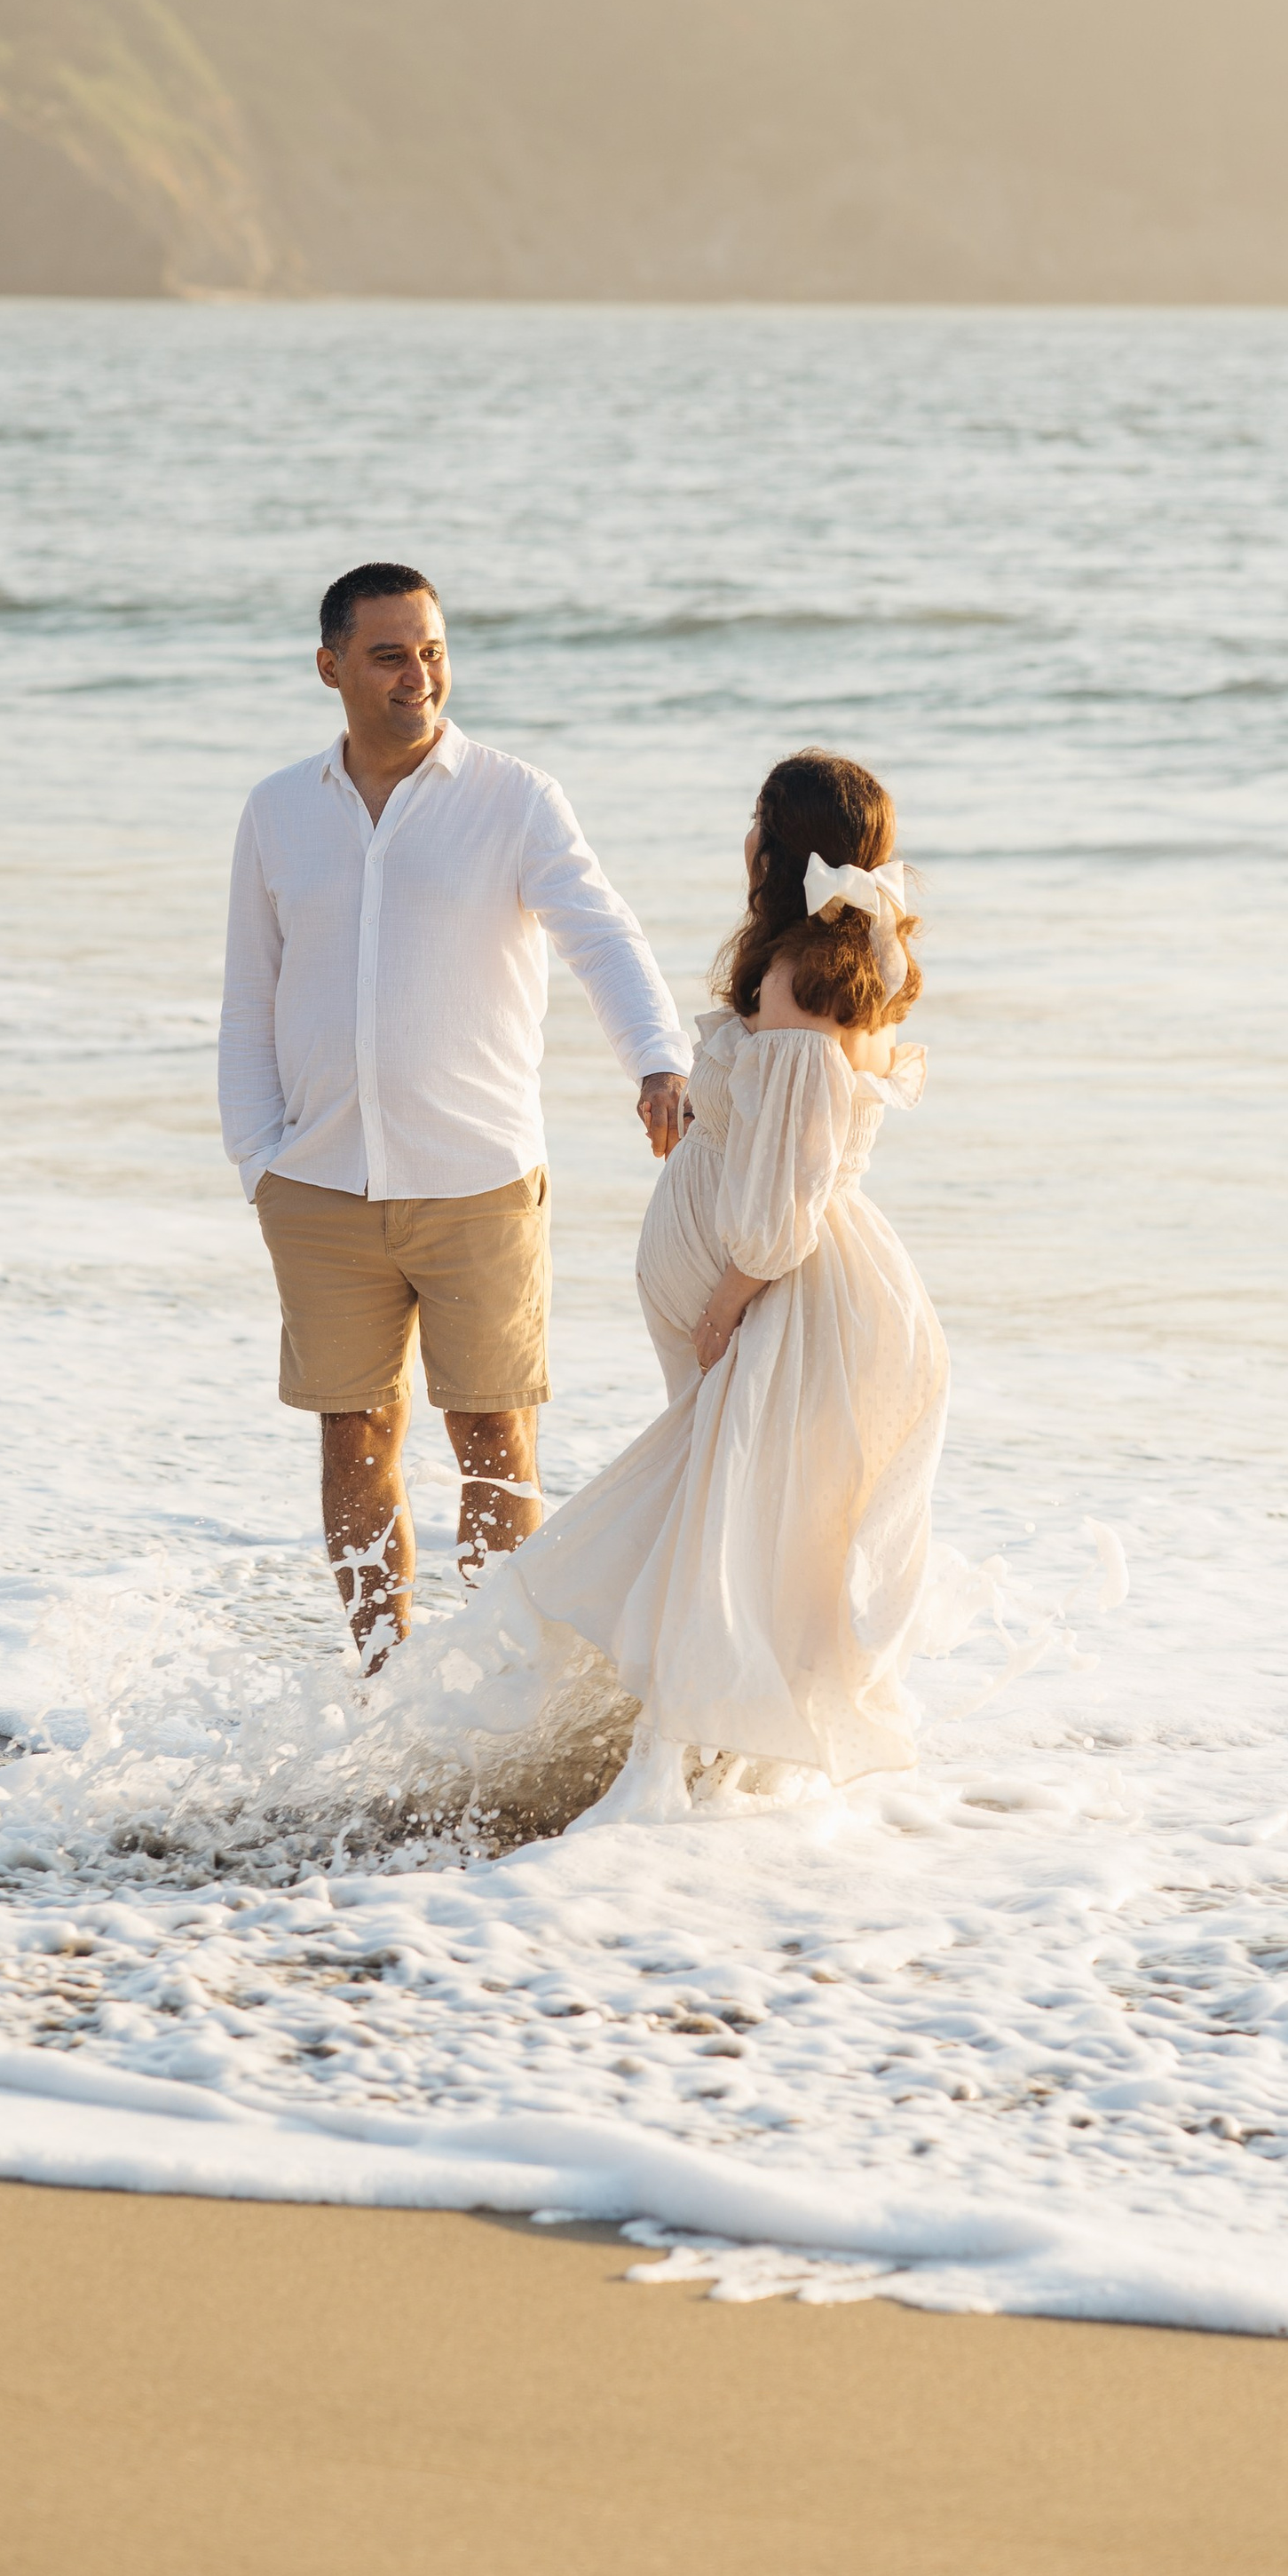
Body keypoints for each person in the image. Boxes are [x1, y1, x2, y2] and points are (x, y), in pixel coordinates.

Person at [219, 562, 690, 1662]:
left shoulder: (514, 797)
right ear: (330, 666)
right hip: (322, 1186)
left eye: (431, 650)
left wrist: (657, 1060)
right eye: (388, 654)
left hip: (477, 1179)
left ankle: (492, 1694)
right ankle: (384, 1687)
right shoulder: (278, 809)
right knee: (355, 1440)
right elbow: (250, 995)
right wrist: (259, 1161)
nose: (416, 675)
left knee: (493, 1443)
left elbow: (601, 935)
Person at [491, 747, 950, 1821]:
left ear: (781, 841)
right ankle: (705, 1757)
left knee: (730, 1524)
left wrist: (729, 1295)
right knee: (735, 1516)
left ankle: (682, 1757)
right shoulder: (820, 967)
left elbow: (786, 1193)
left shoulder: (802, 982)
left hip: (774, 1292)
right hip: (765, 1282)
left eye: (756, 818)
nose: (744, 836)